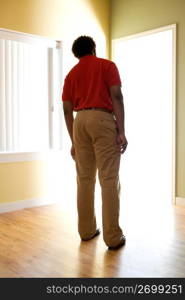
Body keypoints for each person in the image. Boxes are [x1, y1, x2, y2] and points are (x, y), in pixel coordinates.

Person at [62, 36, 128, 250]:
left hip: (79, 121)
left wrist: (73, 139)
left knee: (84, 179)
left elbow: (66, 109)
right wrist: (122, 131)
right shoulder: (107, 66)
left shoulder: (71, 75)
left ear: (76, 53)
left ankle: (87, 231)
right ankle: (112, 237)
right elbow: (116, 96)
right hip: (102, 118)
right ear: (94, 48)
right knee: (108, 179)